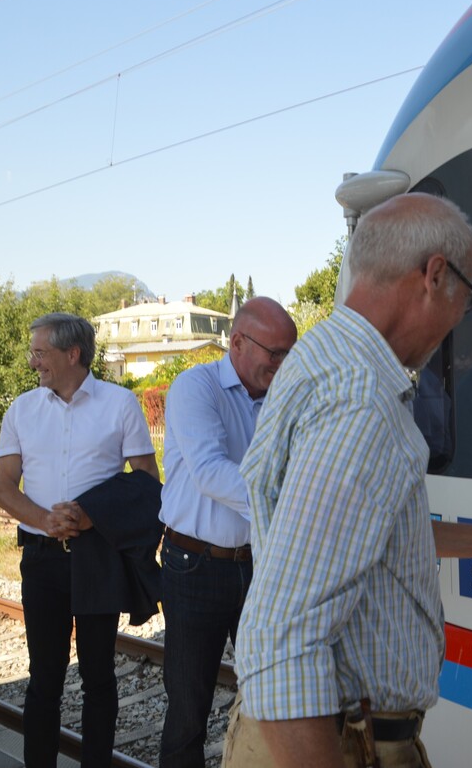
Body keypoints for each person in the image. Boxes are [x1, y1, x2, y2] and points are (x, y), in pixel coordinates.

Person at [227, 192, 472, 768]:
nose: (460, 319)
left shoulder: (319, 359)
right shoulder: (362, 401)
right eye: (468, 298)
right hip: (336, 742)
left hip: (333, 731)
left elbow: (352, 538)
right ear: (434, 276)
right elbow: (280, 636)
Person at [0, 313, 159, 768]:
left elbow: (146, 481)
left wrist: (91, 516)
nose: (33, 363)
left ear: (72, 354)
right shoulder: (21, 410)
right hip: (42, 561)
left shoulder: (121, 404)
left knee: (98, 678)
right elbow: (3, 488)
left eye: (40, 352)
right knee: (43, 678)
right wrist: (47, 520)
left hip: (96, 558)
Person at [158, 296, 297, 768]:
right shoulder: (195, 388)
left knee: (270, 694)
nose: (281, 365)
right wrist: (295, 504)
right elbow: (211, 472)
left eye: (288, 354)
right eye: (273, 353)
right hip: (194, 566)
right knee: (188, 711)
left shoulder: (282, 397)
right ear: (237, 342)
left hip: (259, 564)